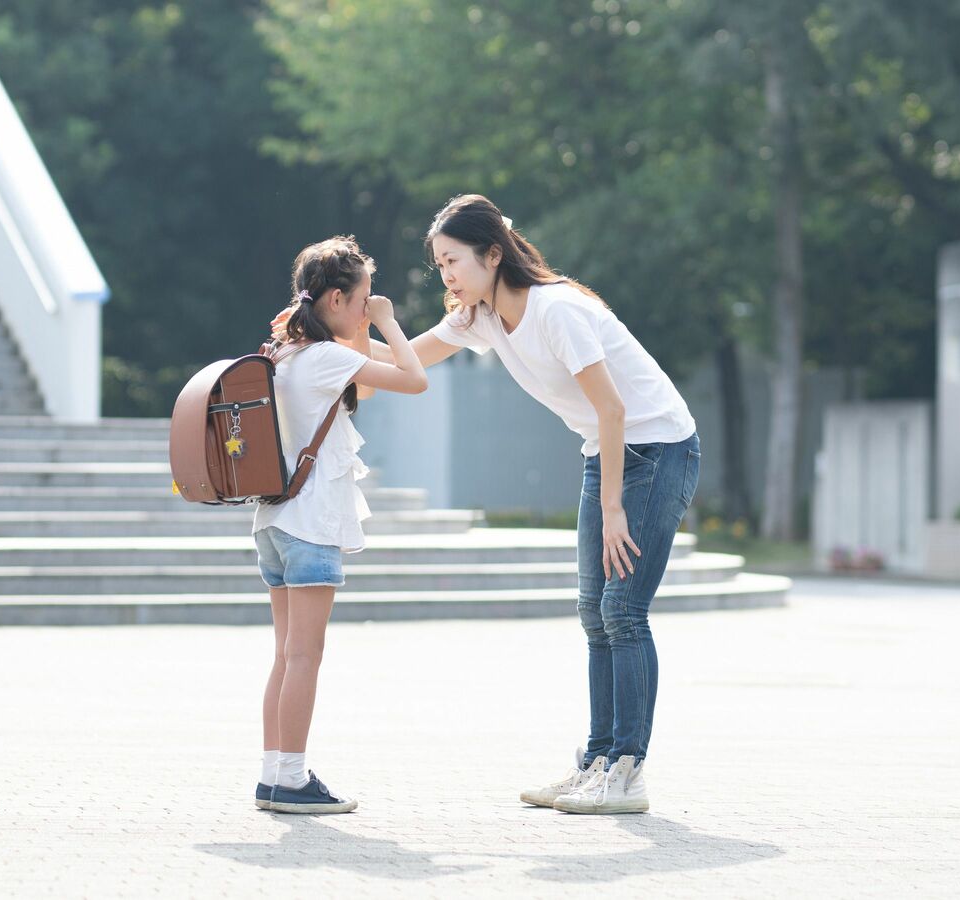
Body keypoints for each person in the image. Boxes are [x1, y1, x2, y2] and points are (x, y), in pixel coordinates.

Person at [352, 195, 700, 814]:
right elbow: (407, 361)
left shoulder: (557, 310)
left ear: (493, 254)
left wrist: (614, 508)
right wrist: (332, 340)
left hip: (659, 448)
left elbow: (614, 408)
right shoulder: (480, 317)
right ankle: (597, 762)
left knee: (623, 609)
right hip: (608, 452)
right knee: (594, 613)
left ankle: (627, 773)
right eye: (439, 266)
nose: (448, 276)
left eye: (453, 260)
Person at [252, 236, 426, 814]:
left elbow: (366, 387)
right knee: (305, 656)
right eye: (361, 301)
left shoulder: (287, 355)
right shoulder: (327, 359)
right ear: (334, 299)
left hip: (275, 520)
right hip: (312, 522)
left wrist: (359, 326)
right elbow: (413, 378)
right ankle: (293, 779)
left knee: (286, 654)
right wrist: (390, 323)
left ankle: (275, 772)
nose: (367, 309)